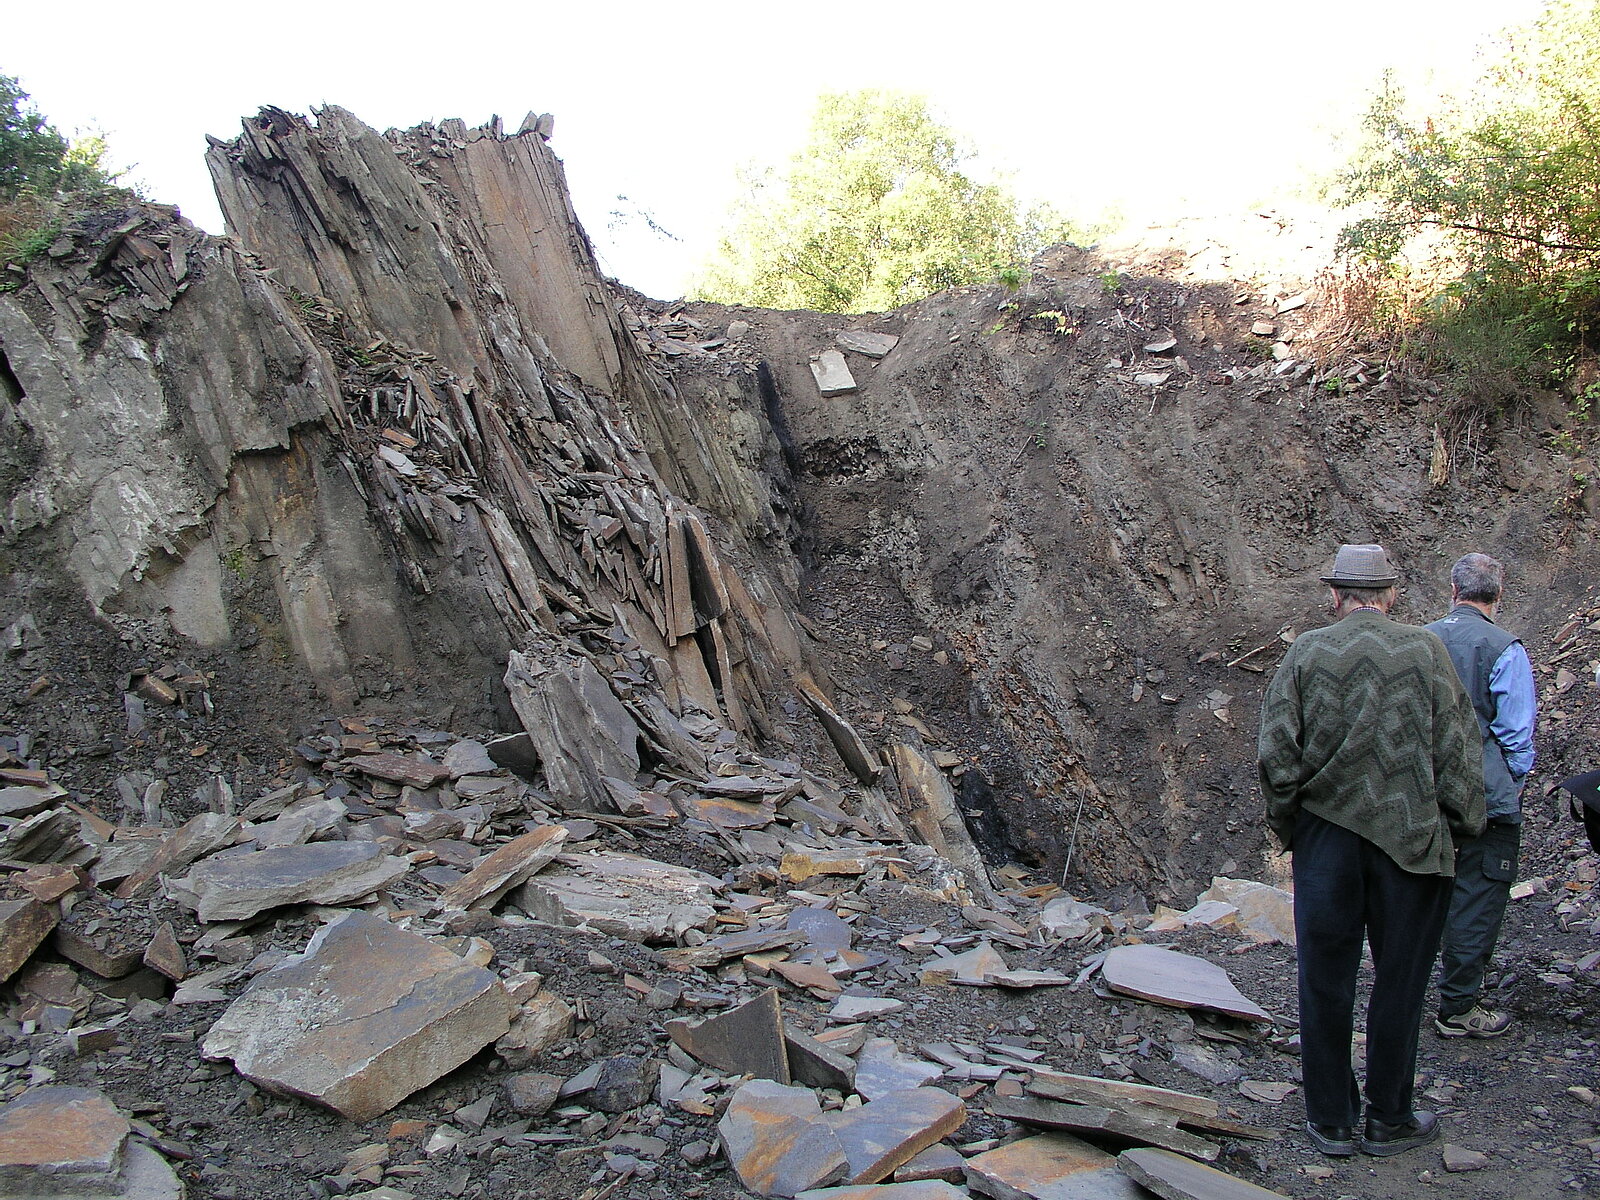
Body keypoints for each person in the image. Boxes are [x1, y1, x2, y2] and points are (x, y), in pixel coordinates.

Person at [1258, 543, 1485, 1158]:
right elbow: (1458, 747)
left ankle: (1331, 1120)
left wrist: (1289, 829)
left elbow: (1277, 754)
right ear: (1389, 596)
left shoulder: (1306, 652)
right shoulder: (1425, 650)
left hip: (1327, 840)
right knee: (1401, 983)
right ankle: (1389, 1118)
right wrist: (1463, 825)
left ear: (1335, 596)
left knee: (1324, 980)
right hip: (1411, 840)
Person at [1426, 553, 1537, 1038]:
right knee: (1476, 896)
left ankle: (1401, 999)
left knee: (1416, 894)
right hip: (1483, 797)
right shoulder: (1504, 648)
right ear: (1499, 593)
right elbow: (1516, 735)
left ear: (1453, 590)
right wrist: (1506, 783)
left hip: (1419, 793)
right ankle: (1458, 1007)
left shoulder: (1420, 640)